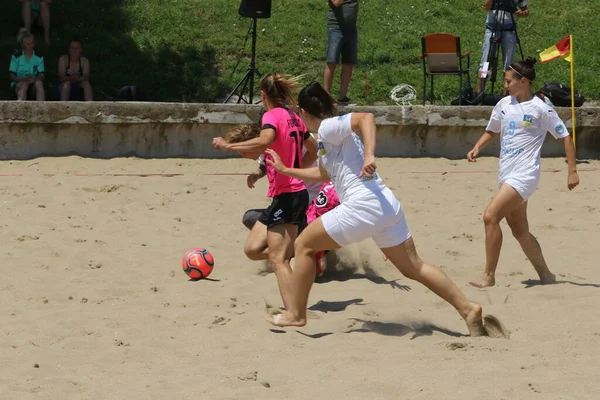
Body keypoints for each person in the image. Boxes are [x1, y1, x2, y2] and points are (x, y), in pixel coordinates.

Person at [264, 81, 491, 337]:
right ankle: (468, 309)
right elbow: (325, 173)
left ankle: (296, 314)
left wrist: (370, 155)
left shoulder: (328, 127)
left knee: (303, 245)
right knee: (413, 267)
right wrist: (286, 170)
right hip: (385, 205)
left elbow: (366, 117)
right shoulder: (330, 137)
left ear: (303, 113)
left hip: (363, 206)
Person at [467, 57, 579, 288]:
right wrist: (477, 147)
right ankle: (546, 275)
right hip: (506, 174)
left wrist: (572, 171)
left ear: (523, 81)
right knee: (520, 230)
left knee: (490, 216)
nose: (505, 85)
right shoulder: (504, 104)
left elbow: (566, 137)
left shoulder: (541, 108)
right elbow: (492, 131)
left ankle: (488, 275)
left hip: (525, 176)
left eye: (508, 81)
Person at [212, 73, 318, 310]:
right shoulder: (294, 116)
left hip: (290, 196)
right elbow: (313, 150)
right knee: (252, 250)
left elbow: (264, 140)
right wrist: (295, 168)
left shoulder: (272, 116)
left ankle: (294, 310)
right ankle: (298, 253)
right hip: (286, 196)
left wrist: (228, 145)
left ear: (263, 96)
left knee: (278, 260)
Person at [477, 0, 529, 95]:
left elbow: (526, 11)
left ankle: (507, 95)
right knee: (486, 63)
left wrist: (521, 13)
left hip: (509, 30)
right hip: (492, 29)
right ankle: (479, 95)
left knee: (508, 64)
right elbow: (486, 7)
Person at [324, 0, 359, 105]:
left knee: (349, 62)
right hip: (336, 28)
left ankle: (342, 97)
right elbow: (336, 2)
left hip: (351, 28)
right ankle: (326, 96)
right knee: (332, 61)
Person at [9, 29, 46, 101]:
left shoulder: (39, 57)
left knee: (39, 83)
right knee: (24, 84)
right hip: (19, 84)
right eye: (27, 44)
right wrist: (20, 79)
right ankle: (20, 106)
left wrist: (35, 78)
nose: (30, 46)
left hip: (33, 86)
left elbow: (42, 74)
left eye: (32, 43)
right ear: (22, 44)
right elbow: (11, 75)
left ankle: (42, 108)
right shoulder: (16, 57)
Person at [56, 36, 93, 101]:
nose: (74, 50)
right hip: (63, 88)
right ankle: (64, 107)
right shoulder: (63, 59)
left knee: (86, 84)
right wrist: (73, 77)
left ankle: (90, 106)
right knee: (66, 84)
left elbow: (86, 77)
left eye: (77, 48)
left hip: (78, 87)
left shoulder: (84, 61)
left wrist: (78, 78)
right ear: (69, 49)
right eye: (72, 48)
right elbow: (61, 77)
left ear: (81, 49)